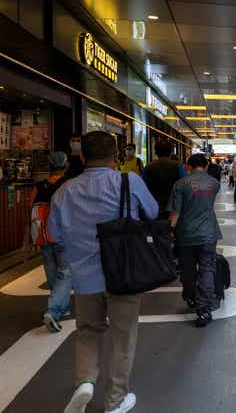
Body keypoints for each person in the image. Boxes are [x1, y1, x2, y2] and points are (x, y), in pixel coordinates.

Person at [49, 131, 159, 413]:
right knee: (123, 336)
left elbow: (54, 235)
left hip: (85, 279)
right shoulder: (129, 181)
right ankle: (115, 401)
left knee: (88, 330)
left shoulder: (64, 190)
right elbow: (152, 210)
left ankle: (85, 381)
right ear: (117, 156)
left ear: (82, 156)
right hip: (124, 274)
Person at [168, 154, 223, 327]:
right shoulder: (214, 184)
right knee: (207, 269)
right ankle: (204, 309)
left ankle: (190, 297)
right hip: (208, 233)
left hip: (186, 234)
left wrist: (169, 231)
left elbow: (175, 213)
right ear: (206, 166)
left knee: (187, 268)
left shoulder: (180, 184)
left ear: (187, 167)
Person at [24, 152, 72, 332]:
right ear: (66, 166)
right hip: (63, 235)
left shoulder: (38, 187)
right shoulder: (68, 184)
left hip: (43, 236)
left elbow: (30, 213)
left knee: (52, 272)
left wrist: (27, 240)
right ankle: (53, 309)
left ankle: (63, 306)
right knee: (66, 273)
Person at [142, 140, 186, 218]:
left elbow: (143, 185)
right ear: (170, 152)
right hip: (173, 204)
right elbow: (185, 182)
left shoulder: (149, 167)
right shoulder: (178, 166)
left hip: (154, 203)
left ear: (156, 152)